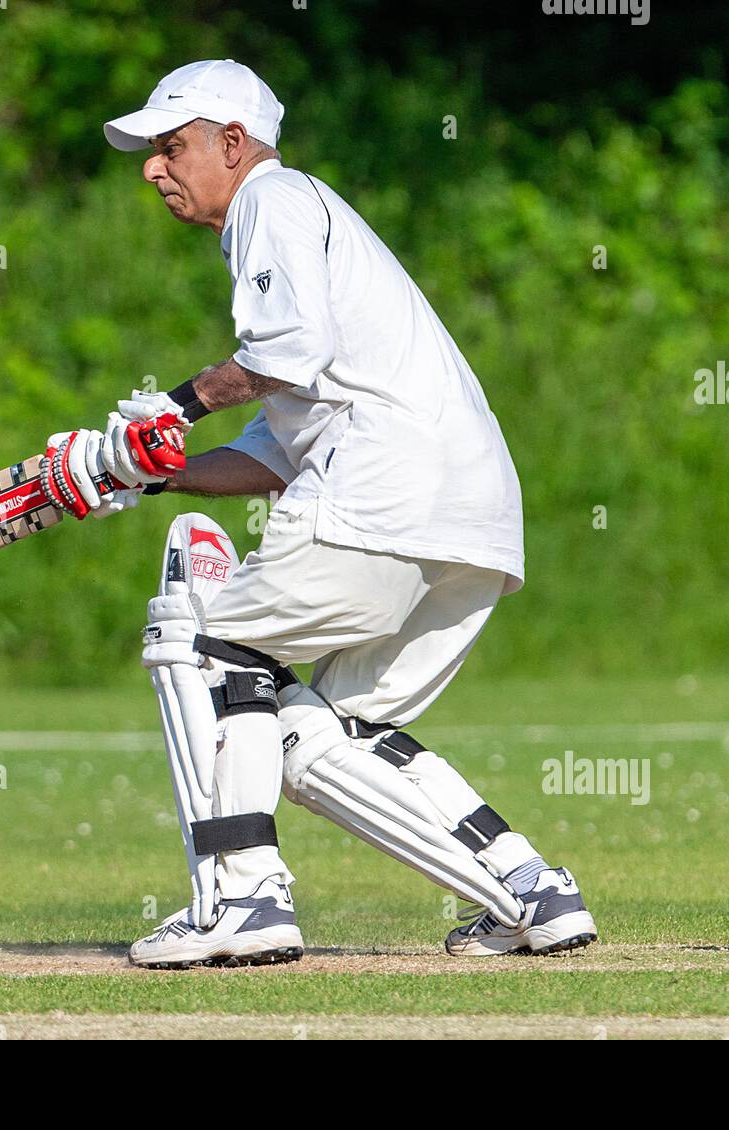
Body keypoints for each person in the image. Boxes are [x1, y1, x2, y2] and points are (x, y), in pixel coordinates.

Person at [47, 60, 597, 967]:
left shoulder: (275, 198)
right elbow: (272, 452)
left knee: (207, 645)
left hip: (385, 485)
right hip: (472, 508)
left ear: (234, 144)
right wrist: (147, 474)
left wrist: (174, 404)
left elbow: (288, 352)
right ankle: (529, 891)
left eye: (171, 146)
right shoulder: (316, 231)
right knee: (319, 735)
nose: (153, 168)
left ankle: (239, 897)